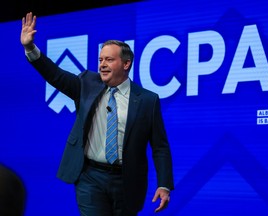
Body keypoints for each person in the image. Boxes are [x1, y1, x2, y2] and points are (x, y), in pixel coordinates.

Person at [21, 12, 174, 216]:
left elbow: (160, 146)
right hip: (90, 177)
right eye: (101, 59)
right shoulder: (87, 83)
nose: (102, 64)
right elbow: (56, 76)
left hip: (127, 181)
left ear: (126, 64)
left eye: (109, 60)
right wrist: (30, 48)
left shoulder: (147, 100)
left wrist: (164, 184)